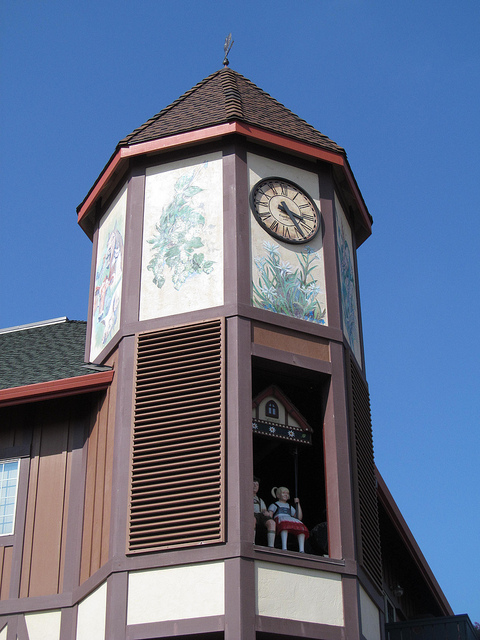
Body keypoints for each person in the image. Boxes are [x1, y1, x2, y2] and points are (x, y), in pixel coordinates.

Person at [268, 486, 309, 552]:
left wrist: (297, 504)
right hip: (280, 519)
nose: (286, 495)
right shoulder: (274, 505)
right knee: (284, 527)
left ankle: (301, 549)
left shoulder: (289, 506)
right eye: (283, 493)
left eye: (287, 493)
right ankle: (284, 547)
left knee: (301, 528)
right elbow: (270, 516)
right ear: (278, 495)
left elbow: (299, 517)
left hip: (289, 519)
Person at [253, 477, 276, 547]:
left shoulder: (260, 500)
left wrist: (266, 513)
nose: (255, 486)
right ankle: (252, 542)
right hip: (252, 515)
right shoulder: (245, 497)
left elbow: (263, 510)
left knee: (271, 522)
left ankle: (271, 545)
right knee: (252, 520)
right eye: (253, 484)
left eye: (257, 485)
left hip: (260, 515)